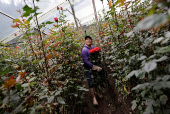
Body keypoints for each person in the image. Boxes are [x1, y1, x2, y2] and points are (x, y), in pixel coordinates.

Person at [81, 36, 102, 106]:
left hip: (94, 67)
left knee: (96, 80)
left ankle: (98, 92)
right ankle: (94, 98)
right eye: (87, 39)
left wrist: (98, 59)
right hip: (88, 68)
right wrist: (94, 66)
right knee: (90, 83)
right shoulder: (84, 50)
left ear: (91, 41)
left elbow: (97, 56)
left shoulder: (93, 47)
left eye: (90, 39)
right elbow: (86, 61)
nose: (88, 40)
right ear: (85, 41)